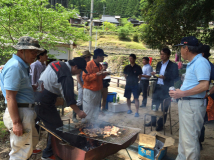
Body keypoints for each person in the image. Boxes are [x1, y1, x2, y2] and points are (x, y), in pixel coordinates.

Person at [0, 36, 44, 159]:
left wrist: (32, 88)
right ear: (21, 50)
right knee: (20, 152)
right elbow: (10, 97)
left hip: (24, 111)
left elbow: (17, 91)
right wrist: (16, 123)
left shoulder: (21, 65)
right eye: (32, 51)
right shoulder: (15, 67)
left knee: (28, 146)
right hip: (20, 112)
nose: (35, 54)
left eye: (36, 52)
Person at [34, 57, 87, 160]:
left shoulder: (55, 63)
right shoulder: (66, 75)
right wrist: (79, 112)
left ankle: (43, 151)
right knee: (57, 128)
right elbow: (69, 99)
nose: (79, 73)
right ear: (75, 66)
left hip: (37, 95)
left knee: (51, 127)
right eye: (80, 70)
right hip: (45, 101)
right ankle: (48, 155)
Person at [170, 36, 210, 160]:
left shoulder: (200, 62)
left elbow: (204, 85)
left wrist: (182, 93)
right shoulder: (194, 63)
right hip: (188, 104)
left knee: (190, 142)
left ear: (186, 48)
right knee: (184, 139)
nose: (180, 51)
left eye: (181, 48)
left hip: (192, 105)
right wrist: (180, 91)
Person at [145, 48, 179, 131]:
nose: (162, 56)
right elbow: (157, 74)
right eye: (161, 54)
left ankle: (160, 124)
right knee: (154, 105)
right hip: (157, 87)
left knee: (164, 108)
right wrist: (154, 74)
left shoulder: (173, 65)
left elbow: (175, 77)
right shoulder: (159, 64)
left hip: (166, 89)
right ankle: (153, 121)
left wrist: (165, 77)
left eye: (163, 54)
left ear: (168, 55)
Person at [82, 48, 108, 122]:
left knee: (96, 110)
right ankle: (85, 126)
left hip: (97, 90)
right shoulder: (88, 64)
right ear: (98, 57)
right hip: (90, 91)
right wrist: (96, 74)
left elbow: (100, 77)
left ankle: (94, 126)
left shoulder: (100, 65)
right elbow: (85, 78)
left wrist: (103, 73)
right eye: (102, 56)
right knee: (88, 110)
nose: (103, 58)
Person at [199, 44, 214, 150]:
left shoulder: (210, 66)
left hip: (203, 98)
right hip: (194, 97)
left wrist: (207, 94)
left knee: (200, 121)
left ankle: (199, 142)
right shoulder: (197, 64)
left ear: (202, 54)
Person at [30, 49, 48, 133]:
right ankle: (35, 126)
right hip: (36, 90)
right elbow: (33, 78)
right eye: (45, 55)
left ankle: (41, 125)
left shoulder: (44, 65)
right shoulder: (34, 65)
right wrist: (35, 90)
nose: (47, 57)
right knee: (36, 108)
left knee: (42, 107)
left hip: (42, 89)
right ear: (40, 56)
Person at [73, 50, 92, 122]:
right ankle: (74, 116)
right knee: (79, 101)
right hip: (82, 83)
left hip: (86, 84)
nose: (90, 58)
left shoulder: (88, 65)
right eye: (89, 57)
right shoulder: (81, 64)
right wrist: (81, 86)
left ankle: (83, 115)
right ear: (85, 57)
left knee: (85, 100)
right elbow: (78, 77)